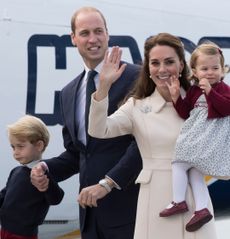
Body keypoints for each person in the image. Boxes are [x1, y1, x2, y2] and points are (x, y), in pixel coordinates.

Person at [88, 33, 217, 239]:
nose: (162, 69)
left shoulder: (203, 101)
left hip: (195, 201)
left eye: (169, 62)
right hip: (155, 201)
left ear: (182, 66)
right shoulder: (137, 107)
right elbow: (98, 130)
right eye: (155, 63)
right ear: (148, 69)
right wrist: (103, 87)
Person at [30, 6, 142, 239]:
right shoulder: (69, 93)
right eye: (84, 33)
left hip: (130, 212)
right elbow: (78, 154)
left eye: (98, 31)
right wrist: (45, 169)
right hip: (90, 217)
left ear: (107, 34)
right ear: (73, 38)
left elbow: (143, 143)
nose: (93, 39)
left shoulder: (136, 78)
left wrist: (107, 184)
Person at [159, 42, 230, 231]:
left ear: (222, 70)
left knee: (179, 163)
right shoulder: (194, 91)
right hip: (198, 138)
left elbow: (226, 108)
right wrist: (176, 98)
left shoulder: (223, 89)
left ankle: (178, 201)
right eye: (204, 68)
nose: (210, 72)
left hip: (209, 139)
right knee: (195, 173)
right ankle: (201, 209)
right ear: (195, 72)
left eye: (215, 68)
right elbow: (185, 113)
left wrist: (211, 92)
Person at [0, 115, 64, 239]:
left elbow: (56, 198)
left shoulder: (42, 176)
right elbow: (4, 194)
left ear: (39, 145)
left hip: (24, 235)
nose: (15, 152)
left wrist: (47, 183)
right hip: (5, 229)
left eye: (20, 146)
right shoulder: (16, 171)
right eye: (13, 147)